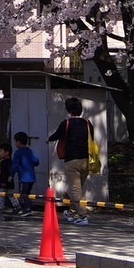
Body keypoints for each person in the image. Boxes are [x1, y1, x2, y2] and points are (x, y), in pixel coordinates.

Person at [47, 96, 91, 225]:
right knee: (78, 188)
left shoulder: (66, 123)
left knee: (75, 189)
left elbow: (56, 135)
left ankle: (83, 216)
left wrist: (48, 139)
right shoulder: (87, 123)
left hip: (72, 161)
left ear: (68, 110)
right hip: (86, 160)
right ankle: (72, 211)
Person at [10, 131, 39, 217]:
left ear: (18, 142)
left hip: (23, 177)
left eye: (15, 141)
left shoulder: (18, 152)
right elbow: (36, 161)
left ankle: (27, 209)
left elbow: (14, 165)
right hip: (31, 177)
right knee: (28, 193)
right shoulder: (30, 151)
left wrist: (11, 175)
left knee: (23, 193)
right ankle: (28, 207)